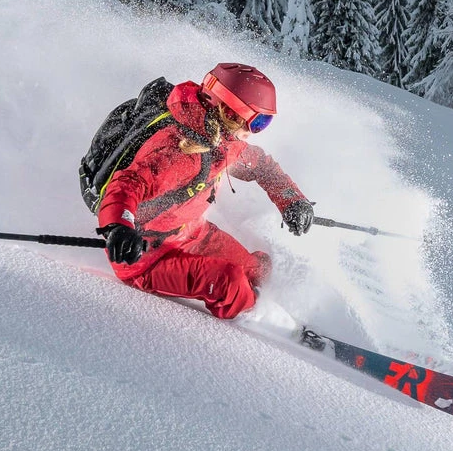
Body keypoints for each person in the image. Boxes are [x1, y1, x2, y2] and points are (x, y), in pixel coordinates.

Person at [96, 63, 314, 320]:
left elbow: (261, 166)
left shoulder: (226, 141)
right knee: (229, 284)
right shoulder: (178, 152)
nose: (257, 131)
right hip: (146, 254)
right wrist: (120, 227)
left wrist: (291, 200)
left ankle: (274, 303)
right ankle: (272, 325)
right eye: (259, 121)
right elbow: (126, 185)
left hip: (191, 232)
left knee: (256, 269)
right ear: (230, 112)